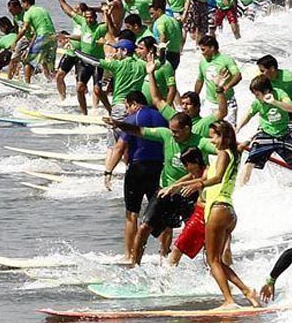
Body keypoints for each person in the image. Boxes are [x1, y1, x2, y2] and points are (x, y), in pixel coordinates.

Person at [165, 121, 260, 308]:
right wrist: (180, 185)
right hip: (229, 212)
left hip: (217, 209)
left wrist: (199, 185)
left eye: (214, 136)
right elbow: (213, 174)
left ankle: (229, 301)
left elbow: (216, 178)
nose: (212, 140)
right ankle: (247, 292)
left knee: (213, 260)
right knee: (216, 260)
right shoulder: (235, 153)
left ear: (224, 136)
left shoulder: (224, 153)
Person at [104, 111, 218, 263]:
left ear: (187, 129)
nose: (173, 134)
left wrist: (236, 147)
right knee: (144, 227)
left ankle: (210, 267)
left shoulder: (201, 142)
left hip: (189, 193)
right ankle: (134, 265)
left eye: (176, 131)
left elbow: (222, 151)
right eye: (171, 130)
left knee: (202, 234)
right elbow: (140, 131)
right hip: (165, 191)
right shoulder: (166, 135)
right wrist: (118, 124)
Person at [103, 90, 168, 259]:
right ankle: (164, 253)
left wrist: (108, 171)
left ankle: (129, 254)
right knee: (158, 213)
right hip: (158, 169)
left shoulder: (133, 120)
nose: (127, 111)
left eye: (127, 107)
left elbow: (119, 148)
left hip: (137, 169)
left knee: (132, 213)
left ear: (134, 104)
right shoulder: (162, 117)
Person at [236, 75, 292, 184]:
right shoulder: (257, 103)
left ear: (267, 91)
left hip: (283, 135)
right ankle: (240, 190)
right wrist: (237, 128)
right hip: (265, 135)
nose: (256, 97)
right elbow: (248, 115)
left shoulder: (280, 94)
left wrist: (274, 102)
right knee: (248, 165)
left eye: (257, 94)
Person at [52, 0, 109, 113]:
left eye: (91, 18)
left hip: (96, 62)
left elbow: (108, 24)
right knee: (79, 87)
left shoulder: (99, 28)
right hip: (83, 59)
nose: (89, 20)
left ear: (95, 17)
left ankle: (108, 110)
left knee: (97, 90)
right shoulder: (82, 22)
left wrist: (106, 12)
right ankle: (84, 114)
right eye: (87, 17)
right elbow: (68, 11)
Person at [10, 0, 57, 82]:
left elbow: (23, 30)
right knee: (47, 62)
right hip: (53, 37)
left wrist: (15, 42)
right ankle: (53, 82)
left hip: (43, 36)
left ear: (26, 3)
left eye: (22, 3)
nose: (21, 6)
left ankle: (27, 84)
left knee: (27, 61)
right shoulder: (43, 9)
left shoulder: (28, 13)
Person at [195, 35, 241, 125]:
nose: (202, 53)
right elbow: (200, 80)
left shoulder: (226, 60)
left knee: (228, 133)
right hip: (209, 103)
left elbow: (238, 75)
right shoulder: (202, 62)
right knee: (206, 130)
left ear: (212, 48)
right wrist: (195, 96)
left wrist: (227, 86)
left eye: (203, 49)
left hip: (227, 102)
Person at [150, 0, 184, 72]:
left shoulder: (160, 21)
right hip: (176, 54)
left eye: (152, 13)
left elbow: (162, 36)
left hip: (166, 55)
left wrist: (161, 56)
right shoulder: (173, 20)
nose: (151, 16)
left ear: (158, 10)